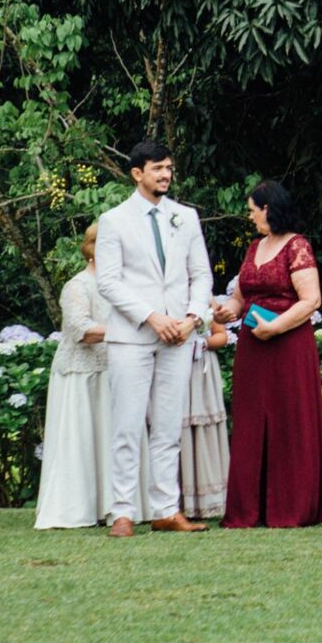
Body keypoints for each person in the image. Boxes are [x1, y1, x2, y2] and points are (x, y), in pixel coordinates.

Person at [95, 139, 215, 537]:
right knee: (127, 427)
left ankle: (166, 509)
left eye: (168, 168)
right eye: (157, 168)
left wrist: (193, 317)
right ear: (137, 173)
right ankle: (123, 512)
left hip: (179, 337)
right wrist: (151, 317)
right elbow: (109, 283)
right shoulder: (114, 220)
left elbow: (201, 275)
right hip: (132, 337)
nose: (165, 175)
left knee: (168, 427)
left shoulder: (186, 216)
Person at [212, 180, 322, 529]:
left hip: (288, 344)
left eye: (252, 210)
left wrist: (276, 328)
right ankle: (250, 508)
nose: (250, 217)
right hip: (252, 344)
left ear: (268, 208)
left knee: (288, 420)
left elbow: (311, 300)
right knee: (251, 421)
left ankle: (290, 506)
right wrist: (227, 311)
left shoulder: (297, 246)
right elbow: (241, 296)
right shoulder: (253, 248)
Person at [35, 223, 123, 529]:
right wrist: (125, 333)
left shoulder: (121, 286)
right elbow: (79, 329)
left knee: (108, 436)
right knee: (80, 436)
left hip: (111, 369)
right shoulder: (78, 285)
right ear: (93, 250)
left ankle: (110, 504)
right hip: (80, 373)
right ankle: (74, 506)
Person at [178, 308, 232, 522]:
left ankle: (208, 499)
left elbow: (222, 335)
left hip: (202, 369)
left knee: (204, 428)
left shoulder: (206, 299)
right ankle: (175, 502)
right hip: (173, 364)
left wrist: (204, 343)